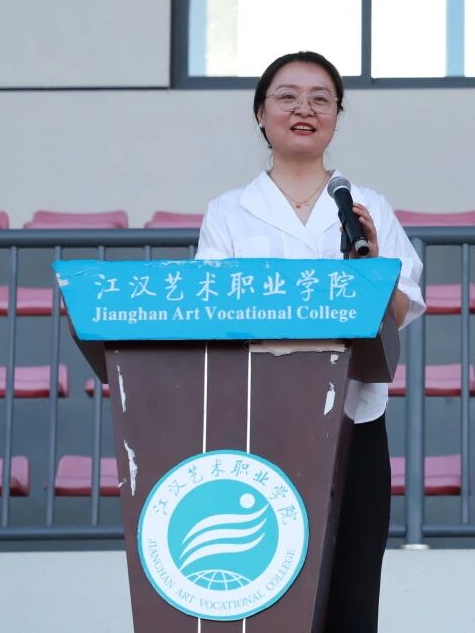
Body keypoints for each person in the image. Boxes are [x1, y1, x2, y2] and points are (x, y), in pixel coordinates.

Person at [195, 50, 426, 632]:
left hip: (352, 424)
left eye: (321, 99)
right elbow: (207, 311)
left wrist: (372, 271)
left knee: (351, 595)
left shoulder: (367, 208)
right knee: (266, 595)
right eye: (288, 96)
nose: (305, 109)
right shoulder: (229, 212)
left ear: (337, 117)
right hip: (256, 425)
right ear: (260, 113)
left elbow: (401, 310)